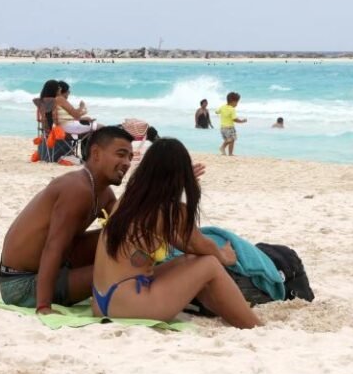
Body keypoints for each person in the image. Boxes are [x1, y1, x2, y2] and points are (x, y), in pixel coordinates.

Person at [92, 138, 261, 328]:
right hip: (130, 305)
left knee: (189, 260)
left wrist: (180, 184)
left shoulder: (130, 199)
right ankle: (252, 325)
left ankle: (231, 313)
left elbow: (184, 244)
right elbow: (201, 244)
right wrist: (225, 256)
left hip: (103, 301)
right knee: (210, 263)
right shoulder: (168, 209)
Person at [0, 126, 134, 312]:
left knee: (118, 237)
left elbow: (127, 231)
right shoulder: (77, 189)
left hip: (54, 264)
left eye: (130, 157)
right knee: (120, 271)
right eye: (121, 154)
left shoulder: (104, 194)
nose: (127, 163)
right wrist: (44, 306)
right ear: (96, 153)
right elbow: (53, 247)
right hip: (21, 284)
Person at [216, 92, 247, 156]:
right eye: (237, 102)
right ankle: (222, 147)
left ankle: (230, 153)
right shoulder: (232, 109)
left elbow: (217, 111)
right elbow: (234, 119)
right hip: (229, 127)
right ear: (233, 101)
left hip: (222, 128)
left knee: (231, 141)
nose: (237, 104)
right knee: (231, 139)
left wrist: (221, 113)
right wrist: (242, 121)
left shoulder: (222, 107)